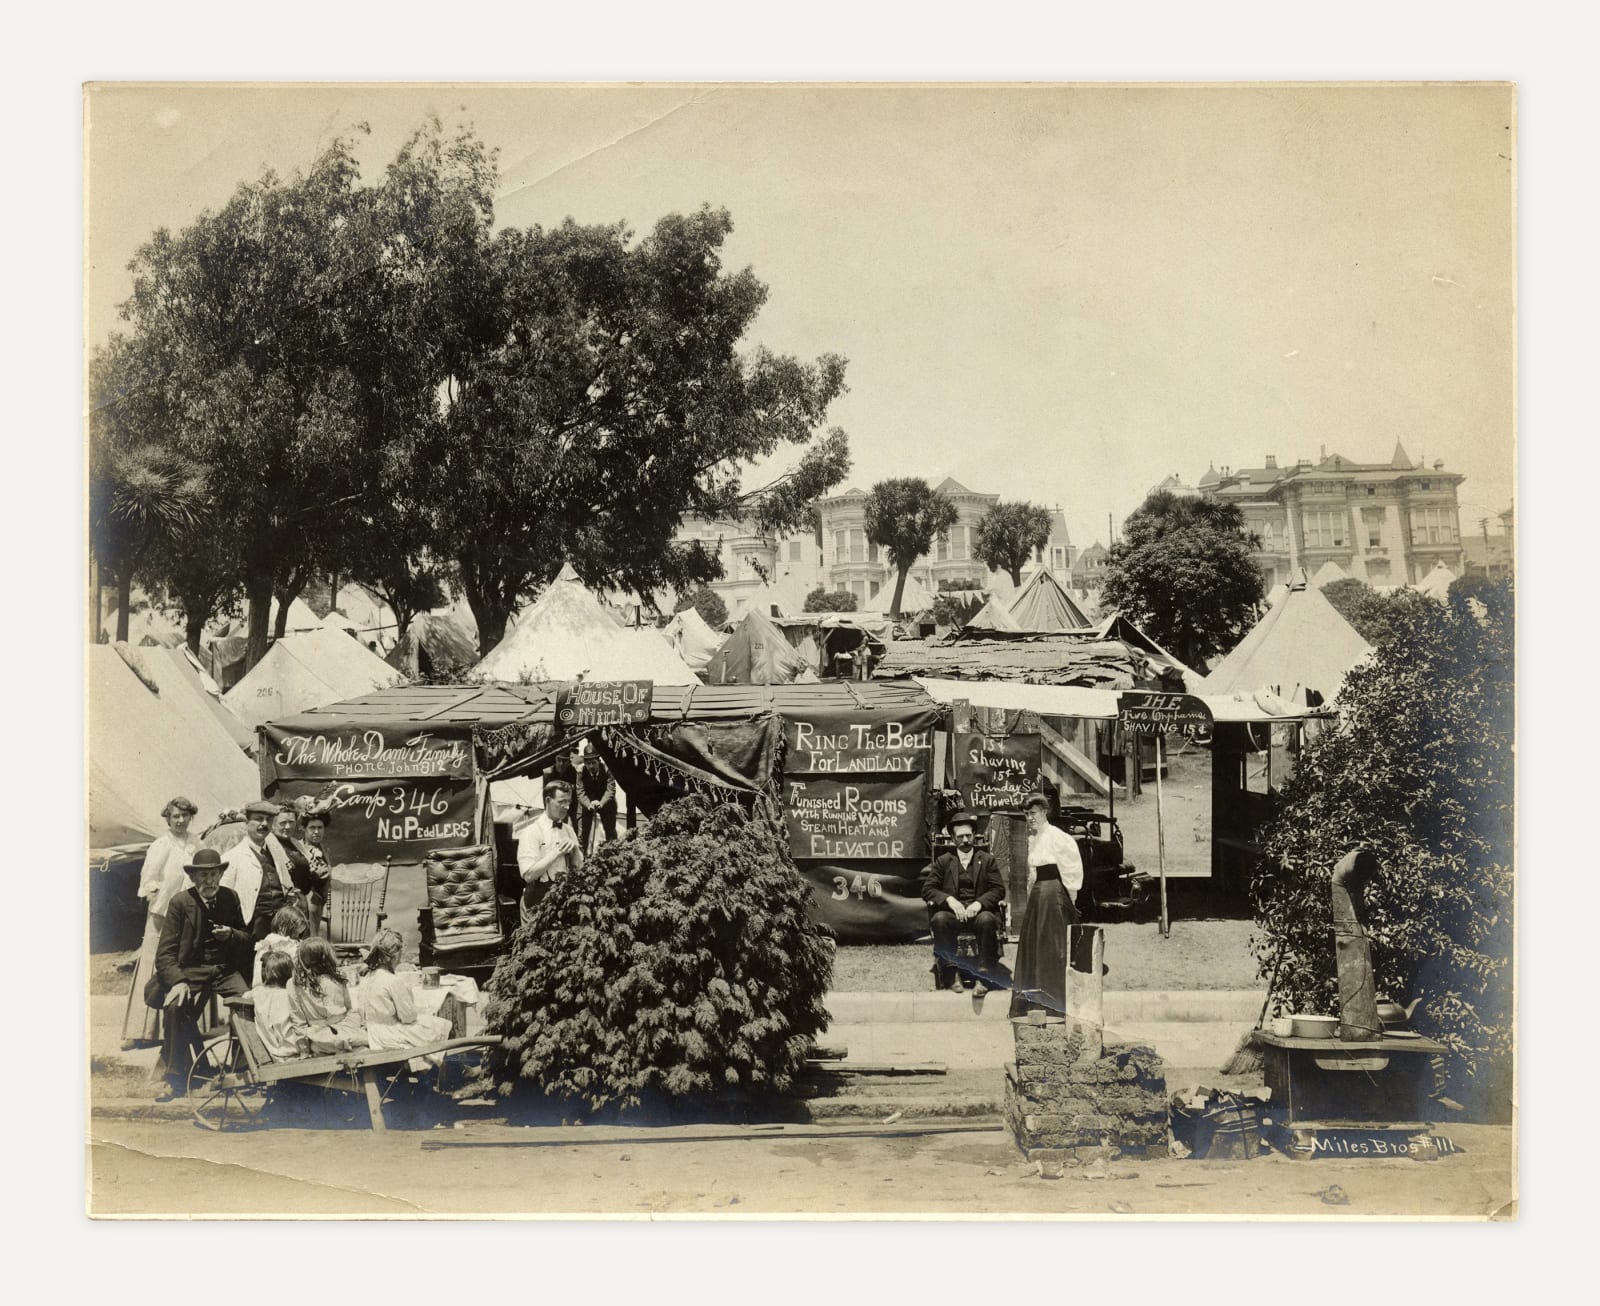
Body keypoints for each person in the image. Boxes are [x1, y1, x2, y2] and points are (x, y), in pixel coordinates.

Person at [149, 848, 252, 1100]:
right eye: (203, 876)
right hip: (191, 970)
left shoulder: (230, 897)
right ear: (194, 878)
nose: (209, 881)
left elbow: (246, 938)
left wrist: (230, 935)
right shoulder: (181, 902)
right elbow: (164, 954)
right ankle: (175, 1078)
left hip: (224, 970)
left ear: (220, 875)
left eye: (214, 875)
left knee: (248, 1002)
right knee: (174, 1007)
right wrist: (179, 981)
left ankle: (242, 1069)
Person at [121, 797, 200, 1049]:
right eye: (175, 816)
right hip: (161, 913)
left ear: (190, 818)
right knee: (154, 963)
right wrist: (155, 890)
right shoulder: (161, 844)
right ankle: (141, 1030)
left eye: (184, 816)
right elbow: (148, 878)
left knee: (182, 962)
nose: (180, 821)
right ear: (168, 817)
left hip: (187, 911)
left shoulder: (196, 842)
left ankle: (178, 1026)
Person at [1008, 793, 1085, 1021]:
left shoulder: (1058, 837)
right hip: (1039, 895)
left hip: (1052, 894)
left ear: (1044, 812)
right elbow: (1033, 875)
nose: (1029, 818)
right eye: (1026, 814)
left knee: (1051, 947)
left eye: (1033, 813)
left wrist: (1071, 902)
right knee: (1035, 946)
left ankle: (1055, 1004)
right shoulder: (1036, 839)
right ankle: (1034, 1002)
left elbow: (1071, 871)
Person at [920, 808, 1008, 999]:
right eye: (960, 837)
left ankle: (982, 978)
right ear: (953, 838)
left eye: (969, 835)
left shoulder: (986, 860)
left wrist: (978, 904)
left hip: (978, 913)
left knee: (987, 920)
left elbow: (999, 889)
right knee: (940, 919)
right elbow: (927, 889)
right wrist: (950, 900)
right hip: (954, 914)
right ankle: (953, 975)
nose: (966, 840)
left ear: (975, 836)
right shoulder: (943, 862)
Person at [221, 800, 307, 942]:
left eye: (269, 820)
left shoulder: (276, 851)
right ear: (247, 822)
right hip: (252, 925)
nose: (264, 824)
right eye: (258, 819)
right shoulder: (233, 857)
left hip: (280, 924)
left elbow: (288, 884)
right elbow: (224, 896)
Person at [354, 929, 452, 1053]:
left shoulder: (367, 978)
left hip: (370, 1029)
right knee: (440, 1025)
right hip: (386, 1035)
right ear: (395, 956)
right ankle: (441, 1069)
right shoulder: (392, 980)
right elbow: (408, 1016)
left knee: (429, 1023)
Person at [516, 779, 584, 922]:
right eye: (561, 802)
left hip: (562, 899)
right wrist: (556, 853)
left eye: (569, 802)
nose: (566, 807)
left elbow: (580, 868)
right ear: (548, 800)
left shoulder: (569, 830)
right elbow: (528, 875)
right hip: (536, 901)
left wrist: (575, 850)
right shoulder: (531, 832)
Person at [287, 937, 369, 1052]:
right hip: (345, 1028)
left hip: (319, 1037)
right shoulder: (337, 979)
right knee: (364, 1039)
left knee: (323, 1044)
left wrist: (304, 1050)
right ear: (327, 958)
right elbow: (349, 1007)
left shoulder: (294, 984)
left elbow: (298, 1019)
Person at [250, 950, 307, 1061]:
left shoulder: (258, 993)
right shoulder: (289, 995)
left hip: (273, 1052)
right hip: (293, 1051)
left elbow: (246, 995)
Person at [573, 741, 618, 851]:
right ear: (584, 762)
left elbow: (610, 790)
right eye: (588, 763)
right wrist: (589, 804)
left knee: (611, 833)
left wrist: (601, 803)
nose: (591, 766)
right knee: (583, 835)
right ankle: (582, 860)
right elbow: (580, 791)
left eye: (593, 762)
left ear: (599, 761)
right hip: (587, 803)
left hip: (606, 803)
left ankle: (613, 856)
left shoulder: (608, 769)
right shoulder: (580, 771)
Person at [252, 905, 310, 986]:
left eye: (299, 934)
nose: (297, 937)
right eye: (295, 933)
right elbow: (260, 969)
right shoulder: (275, 942)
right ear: (283, 927)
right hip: (278, 982)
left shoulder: (294, 942)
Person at [299, 807, 335, 933]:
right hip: (302, 906)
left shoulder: (324, 851)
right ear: (304, 829)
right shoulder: (298, 849)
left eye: (320, 828)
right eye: (312, 828)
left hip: (319, 904)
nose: (316, 832)